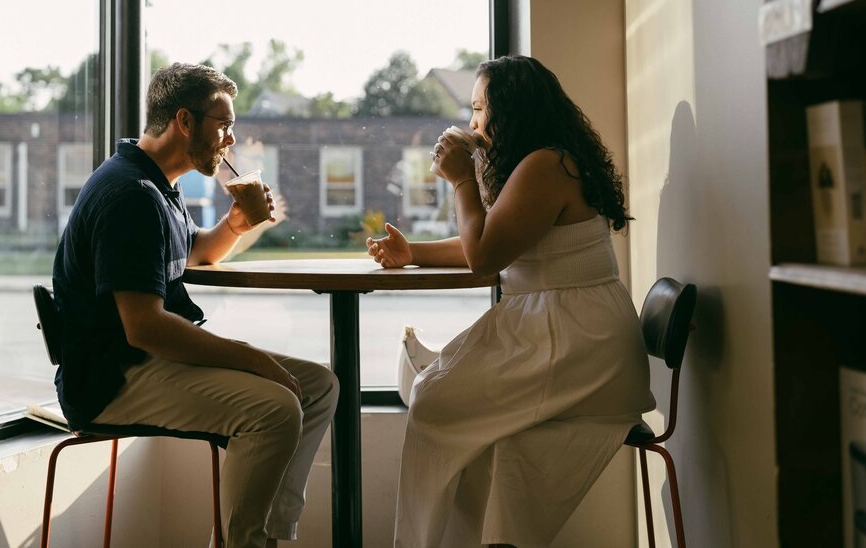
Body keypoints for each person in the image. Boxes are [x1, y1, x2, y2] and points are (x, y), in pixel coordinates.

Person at [367, 55, 655, 547]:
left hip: (578, 342)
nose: (473, 123)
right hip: (567, 329)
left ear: (510, 112)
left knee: (433, 400)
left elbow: (484, 257)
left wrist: (462, 180)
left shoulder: (546, 165)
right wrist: (413, 252)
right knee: (439, 395)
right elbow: (497, 240)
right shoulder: (546, 161)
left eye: (480, 109)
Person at [52, 63, 338, 548]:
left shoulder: (158, 183)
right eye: (223, 124)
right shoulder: (130, 195)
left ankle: (264, 532)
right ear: (185, 121)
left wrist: (238, 224)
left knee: (319, 386)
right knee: (275, 410)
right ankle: (241, 542)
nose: (230, 139)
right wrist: (252, 359)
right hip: (111, 377)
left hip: (139, 359)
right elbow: (145, 328)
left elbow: (197, 251)